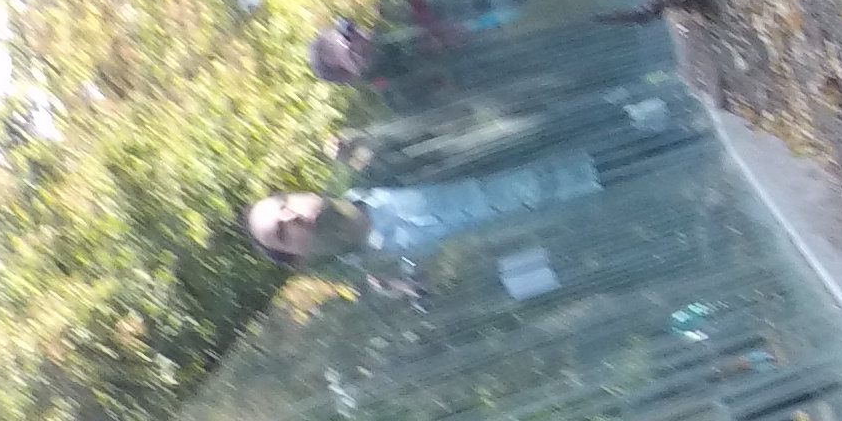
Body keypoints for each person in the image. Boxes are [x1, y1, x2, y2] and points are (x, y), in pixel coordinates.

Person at [245, 148, 609, 264]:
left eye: (283, 203)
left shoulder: (381, 157)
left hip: (586, 146)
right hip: (598, 228)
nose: (291, 215)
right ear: (296, 257)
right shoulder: (388, 285)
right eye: (282, 231)